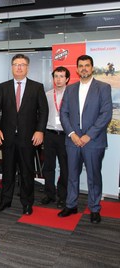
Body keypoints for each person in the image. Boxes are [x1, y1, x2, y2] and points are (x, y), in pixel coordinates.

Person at [0, 54, 48, 215]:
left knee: (27, 172)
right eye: (16, 64)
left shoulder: (37, 87)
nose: (19, 67)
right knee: (7, 171)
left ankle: (27, 203)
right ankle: (5, 201)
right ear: (12, 67)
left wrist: (40, 130)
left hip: (28, 138)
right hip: (7, 138)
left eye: (22, 64)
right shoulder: (3, 87)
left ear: (27, 68)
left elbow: (43, 111)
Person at [58, 55, 112, 224]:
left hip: (93, 142)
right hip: (72, 141)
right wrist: (72, 134)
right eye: (80, 66)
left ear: (92, 68)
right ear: (77, 69)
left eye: (87, 66)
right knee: (71, 175)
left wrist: (89, 135)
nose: (84, 68)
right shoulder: (70, 89)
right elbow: (64, 113)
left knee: (94, 176)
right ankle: (71, 205)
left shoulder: (103, 87)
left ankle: (95, 209)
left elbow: (106, 114)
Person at [40, 66, 70, 209]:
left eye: (61, 76)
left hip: (65, 136)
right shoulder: (47, 95)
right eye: (56, 76)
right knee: (49, 166)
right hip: (50, 134)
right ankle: (49, 194)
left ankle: (63, 196)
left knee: (65, 168)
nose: (58, 79)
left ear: (67, 79)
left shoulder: (71, 95)